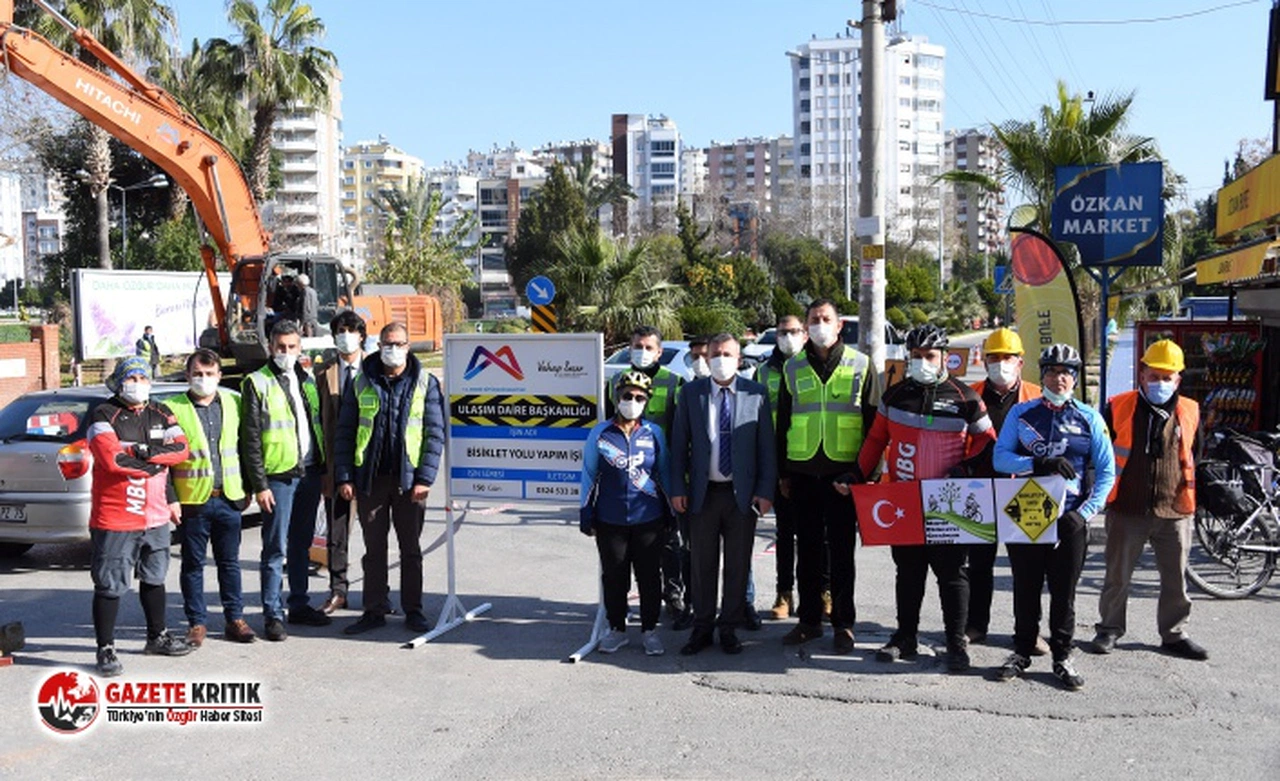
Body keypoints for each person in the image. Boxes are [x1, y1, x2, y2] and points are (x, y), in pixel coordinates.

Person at [853, 325, 996, 673]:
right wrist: (856, 475)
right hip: (904, 499)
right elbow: (875, 441)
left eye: (929, 356)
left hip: (947, 501)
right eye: (915, 357)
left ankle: (955, 643)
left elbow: (988, 443)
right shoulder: (894, 395)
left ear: (945, 357)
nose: (922, 362)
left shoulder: (966, 399)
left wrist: (966, 468)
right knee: (908, 572)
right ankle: (905, 637)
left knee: (951, 575)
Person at [992, 343, 1116, 691]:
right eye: (1051, 371)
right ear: (1041, 374)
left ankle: (1062, 655)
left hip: (1070, 517)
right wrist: (1035, 463)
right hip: (1028, 512)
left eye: (1066, 373)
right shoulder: (1022, 414)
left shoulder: (1090, 417)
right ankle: (1021, 650)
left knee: (1064, 592)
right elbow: (999, 459)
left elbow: (1107, 472)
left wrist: (1086, 513)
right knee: (1025, 587)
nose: (1059, 378)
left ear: (1074, 378)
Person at [1089, 340, 1208, 661]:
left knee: (1175, 579)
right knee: (1117, 576)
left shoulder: (1191, 410)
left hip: (1176, 510)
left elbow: (1197, 454)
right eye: (1154, 376)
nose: (1160, 383)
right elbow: (1099, 455)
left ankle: (1174, 633)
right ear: (1141, 374)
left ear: (1178, 380)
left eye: (1167, 377)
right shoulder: (1118, 407)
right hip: (1128, 508)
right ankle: (1110, 629)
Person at [775, 299, 880, 654]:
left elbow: (874, 427)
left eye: (826, 319)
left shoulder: (861, 365)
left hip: (842, 476)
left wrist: (862, 475)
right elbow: (783, 424)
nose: (820, 325)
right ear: (807, 327)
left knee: (841, 554)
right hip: (802, 472)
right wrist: (783, 473)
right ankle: (809, 621)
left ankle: (843, 624)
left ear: (839, 326)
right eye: (814, 320)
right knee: (806, 551)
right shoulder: (792, 369)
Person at [335, 321, 445, 635]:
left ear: (409, 347)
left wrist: (425, 478)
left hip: (410, 482)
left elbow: (434, 434)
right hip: (371, 479)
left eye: (398, 344)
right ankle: (374, 609)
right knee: (374, 549)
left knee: (410, 548)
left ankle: (413, 610)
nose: (392, 349)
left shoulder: (425, 382)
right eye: (386, 343)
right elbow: (345, 433)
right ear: (378, 345)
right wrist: (345, 476)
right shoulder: (360, 381)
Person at [670, 334, 776, 655]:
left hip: (740, 496)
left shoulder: (756, 394)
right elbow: (678, 446)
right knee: (702, 564)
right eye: (715, 353)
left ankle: (728, 626)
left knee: (737, 564)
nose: (719, 359)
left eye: (727, 354)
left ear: (739, 358)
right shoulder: (691, 394)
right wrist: (677, 487)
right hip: (703, 494)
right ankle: (702, 627)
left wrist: (765, 491)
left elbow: (766, 449)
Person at [86, 357, 192, 676]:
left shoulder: (161, 411)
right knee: (109, 585)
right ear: (119, 381)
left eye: (143, 377)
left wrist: (143, 453)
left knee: (155, 577)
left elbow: (182, 449)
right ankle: (105, 649)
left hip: (156, 514)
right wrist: (157, 462)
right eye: (131, 377)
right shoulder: (104, 414)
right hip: (116, 516)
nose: (138, 383)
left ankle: (156, 637)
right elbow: (112, 459)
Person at [240, 319, 330, 641]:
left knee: (301, 545)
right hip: (278, 478)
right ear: (270, 346)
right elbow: (249, 438)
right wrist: (259, 484)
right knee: (275, 548)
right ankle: (272, 613)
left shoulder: (306, 380)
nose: (286, 353)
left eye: (292, 347)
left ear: (300, 347)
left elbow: (315, 425)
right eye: (280, 347)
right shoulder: (257, 382)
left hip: (308, 473)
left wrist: (322, 468)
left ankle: (299, 604)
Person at [580, 370, 673, 656]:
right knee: (615, 577)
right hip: (610, 519)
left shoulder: (654, 433)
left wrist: (671, 511)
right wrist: (585, 511)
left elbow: (664, 473)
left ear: (646, 401)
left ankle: (649, 631)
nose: (632, 401)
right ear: (616, 398)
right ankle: (617, 629)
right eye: (627, 396)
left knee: (649, 577)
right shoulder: (600, 432)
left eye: (639, 397)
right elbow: (588, 473)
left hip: (649, 518)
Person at [169, 349, 256, 646]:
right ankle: (197, 623)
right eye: (197, 374)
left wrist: (250, 487)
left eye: (209, 374)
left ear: (219, 375)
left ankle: (235, 618)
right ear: (187, 375)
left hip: (230, 497)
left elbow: (246, 446)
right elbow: (163, 461)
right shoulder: (172, 407)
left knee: (229, 562)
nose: (203, 379)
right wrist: (171, 498)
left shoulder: (235, 402)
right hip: (193, 500)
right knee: (192, 564)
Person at [964, 328, 1043, 650]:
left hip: (1026, 491)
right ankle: (975, 625)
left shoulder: (1037, 398)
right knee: (979, 564)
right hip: (980, 489)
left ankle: (1029, 631)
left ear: (1020, 361)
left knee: (1027, 568)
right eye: (993, 357)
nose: (1000, 364)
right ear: (984, 360)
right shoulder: (968, 395)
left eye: (1006, 357)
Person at [605, 325, 687, 625]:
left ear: (659, 351)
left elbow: (680, 435)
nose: (642, 351)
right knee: (624, 546)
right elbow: (606, 426)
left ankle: (673, 596)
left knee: (668, 542)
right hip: (624, 476)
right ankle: (621, 605)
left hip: (661, 477)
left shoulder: (675, 381)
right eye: (637, 345)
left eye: (648, 347)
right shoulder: (615, 381)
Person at [755, 315, 814, 621]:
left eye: (794, 331)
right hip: (777, 464)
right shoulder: (763, 372)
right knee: (785, 533)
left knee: (816, 535)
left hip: (809, 462)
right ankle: (784, 593)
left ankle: (819, 594)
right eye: (782, 332)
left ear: (804, 334)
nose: (788, 337)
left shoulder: (811, 366)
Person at [315, 310, 367, 614]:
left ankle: (378, 593)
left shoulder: (374, 370)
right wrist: (325, 469)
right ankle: (338, 590)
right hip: (336, 466)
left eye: (350, 330)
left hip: (370, 466)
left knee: (376, 534)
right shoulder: (325, 373)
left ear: (361, 335)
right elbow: (320, 423)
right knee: (337, 534)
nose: (345, 335)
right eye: (339, 330)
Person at [298, 273, 320, 337]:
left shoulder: (305, 292)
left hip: (308, 321)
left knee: (309, 339)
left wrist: (302, 323)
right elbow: (317, 304)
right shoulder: (313, 291)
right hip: (314, 318)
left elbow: (306, 307)